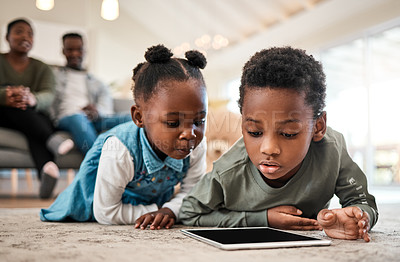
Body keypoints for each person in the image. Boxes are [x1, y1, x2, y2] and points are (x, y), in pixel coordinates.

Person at [179, 46, 378, 242]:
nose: (268, 149)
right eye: (254, 132)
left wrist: (359, 217)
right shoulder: (228, 172)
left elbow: (361, 202)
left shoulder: (332, 148)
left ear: (318, 127)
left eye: (288, 134)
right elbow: (189, 212)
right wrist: (262, 219)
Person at [40, 44, 208, 230]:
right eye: (172, 123)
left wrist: (170, 211)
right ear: (139, 117)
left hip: (147, 199)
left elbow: (193, 192)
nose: (190, 133)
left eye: (199, 120)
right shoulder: (120, 150)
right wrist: (158, 209)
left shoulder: (196, 145)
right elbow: (106, 212)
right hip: (95, 201)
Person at [0, 18, 73, 199]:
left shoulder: (42, 67)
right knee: (12, 94)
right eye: (19, 32)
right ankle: (50, 142)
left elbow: (48, 95)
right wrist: (5, 95)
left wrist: (32, 98)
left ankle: (49, 170)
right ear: (7, 37)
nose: (25, 36)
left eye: (30, 34)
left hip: (32, 117)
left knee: (27, 111)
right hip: (2, 113)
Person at [51, 33, 131, 154]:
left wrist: (96, 111)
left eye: (79, 49)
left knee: (132, 118)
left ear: (84, 51)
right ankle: (99, 165)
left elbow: (107, 107)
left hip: (93, 120)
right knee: (78, 117)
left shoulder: (97, 82)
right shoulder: (54, 76)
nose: (74, 54)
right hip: (67, 118)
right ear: (63, 51)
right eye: (70, 50)